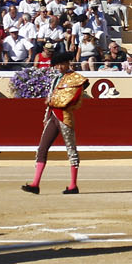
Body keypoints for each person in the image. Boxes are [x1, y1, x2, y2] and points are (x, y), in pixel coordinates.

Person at [22, 49, 88, 195]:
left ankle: (73, 185)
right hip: (53, 116)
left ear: (67, 63)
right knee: (42, 149)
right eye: (56, 65)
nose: (58, 67)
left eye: (60, 65)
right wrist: (46, 116)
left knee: (71, 151)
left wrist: (52, 102)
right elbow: (51, 98)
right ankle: (35, 184)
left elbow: (71, 99)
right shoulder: (56, 79)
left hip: (65, 117)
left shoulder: (77, 78)